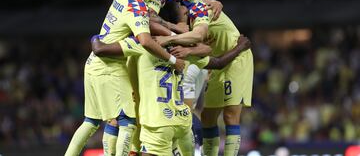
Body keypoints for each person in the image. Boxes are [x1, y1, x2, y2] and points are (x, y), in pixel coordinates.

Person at [64, 0, 184, 156]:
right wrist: (173, 59)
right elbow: (145, 40)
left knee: (91, 122)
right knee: (127, 122)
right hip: (110, 67)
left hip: (93, 64)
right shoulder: (136, 6)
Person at [91, 31, 251, 156]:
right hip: (183, 122)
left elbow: (101, 49)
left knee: (115, 120)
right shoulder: (183, 52)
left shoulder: (141, 45)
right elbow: (218, 62)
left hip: (156, 121)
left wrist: (98, 36)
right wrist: (240, 47)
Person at [154, 0, 254, 156]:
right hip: (213, 60)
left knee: (230, 114)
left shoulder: (196, 6)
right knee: (207, 116)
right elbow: (204, 47)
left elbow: (201, 41)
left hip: (235, 56)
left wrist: (171, 37)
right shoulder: (172, 7)